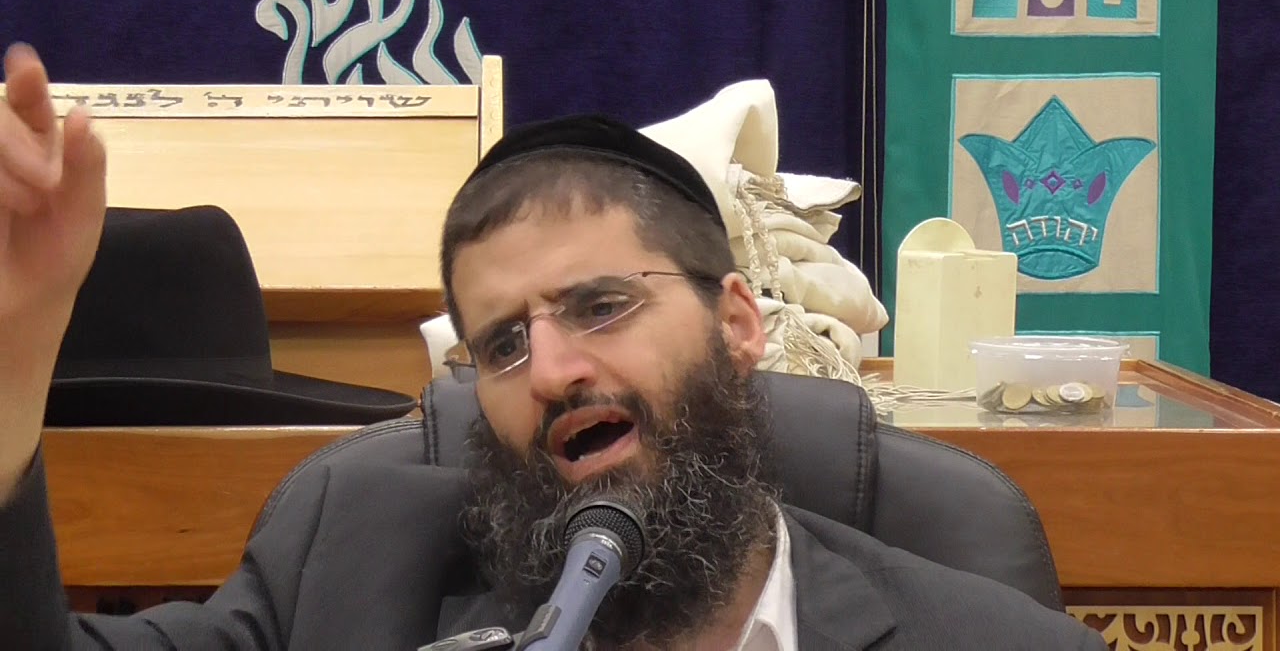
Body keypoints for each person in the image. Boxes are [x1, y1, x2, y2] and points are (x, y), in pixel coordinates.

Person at [0, 43, 1106, 650]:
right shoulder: (345, 581)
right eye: (500, 344)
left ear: (736, 324)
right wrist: (12, 348)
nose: (553, 370)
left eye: (601, 306)